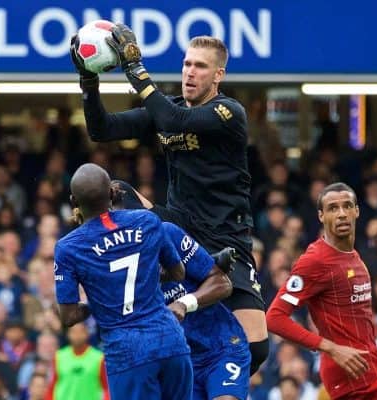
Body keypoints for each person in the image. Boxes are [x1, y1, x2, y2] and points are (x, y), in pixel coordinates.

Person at [71, 25, 268, 373]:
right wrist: (88, 81)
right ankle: (125, 278)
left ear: (218, 75)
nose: (191, 72)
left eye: (201, 66)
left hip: (226, 235)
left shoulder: (228, 112)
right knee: (114, 190)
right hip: (178, 225)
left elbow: (175, 120)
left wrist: (135, 70)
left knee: (257, 348)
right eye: (187, 64)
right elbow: (101, 130)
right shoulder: (167, 108)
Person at [54, 163, 192, 400]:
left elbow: (68, 317)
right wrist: (145, 280)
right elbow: (178, 272)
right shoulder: (147, 221)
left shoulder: (68, 247)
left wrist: (98, 303)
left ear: (73, 201)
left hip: (128, 354)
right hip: (171, 342)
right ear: (111, 193)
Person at [266, 183, 377, 399]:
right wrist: (331, 348)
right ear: (320, 216)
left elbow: (355, 331)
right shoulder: (315, 261)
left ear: (357, 211)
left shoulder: (355, 256)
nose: (342, 214)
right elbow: (274, 318)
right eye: (333, 208)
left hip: (370, 370)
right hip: (351, 378)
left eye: (347, 206)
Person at [111, 179, 250, 400]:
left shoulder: (167, 233)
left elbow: (222, 284)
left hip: (221, 347)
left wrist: (184, 303)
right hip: (180, 360)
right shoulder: (112, 266)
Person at [46, 323, 109, 400]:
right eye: (73, 332)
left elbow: (106, 387)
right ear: (68, 335)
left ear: (87, 334)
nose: (77, 335)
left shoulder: (98, 358)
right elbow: (52, 385)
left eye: (81, 332)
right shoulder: (58, 356)